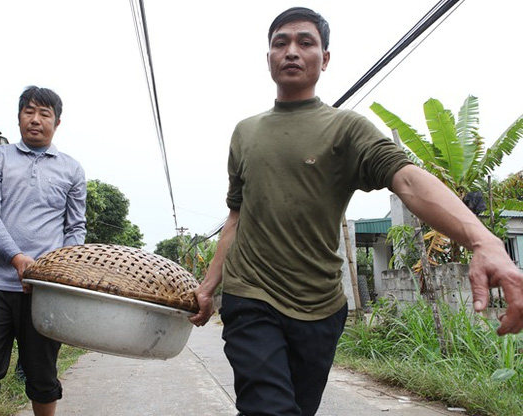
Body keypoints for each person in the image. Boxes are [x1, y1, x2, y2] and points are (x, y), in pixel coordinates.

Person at [189, 7, 523, 416]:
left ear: (324, 59)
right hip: (250, 296)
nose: (292, 51)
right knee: (268, 408)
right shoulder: (245, 132)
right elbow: (236, 219)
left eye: (305, 42)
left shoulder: (347, 128)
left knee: (297, 408)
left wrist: (483, 240)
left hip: (321, 306)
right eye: (281, 42)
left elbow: (407, 179)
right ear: (269, 58)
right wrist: (208, 286)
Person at [0, 86, 87, 415]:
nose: (36, 119)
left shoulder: (72, 169)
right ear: (18, 117)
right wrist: (17, 258)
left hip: (44, 291)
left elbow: (75, 227)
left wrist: (60, 270)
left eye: (44, 114)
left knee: (43, 378)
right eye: (29, 111)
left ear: (57, 122)